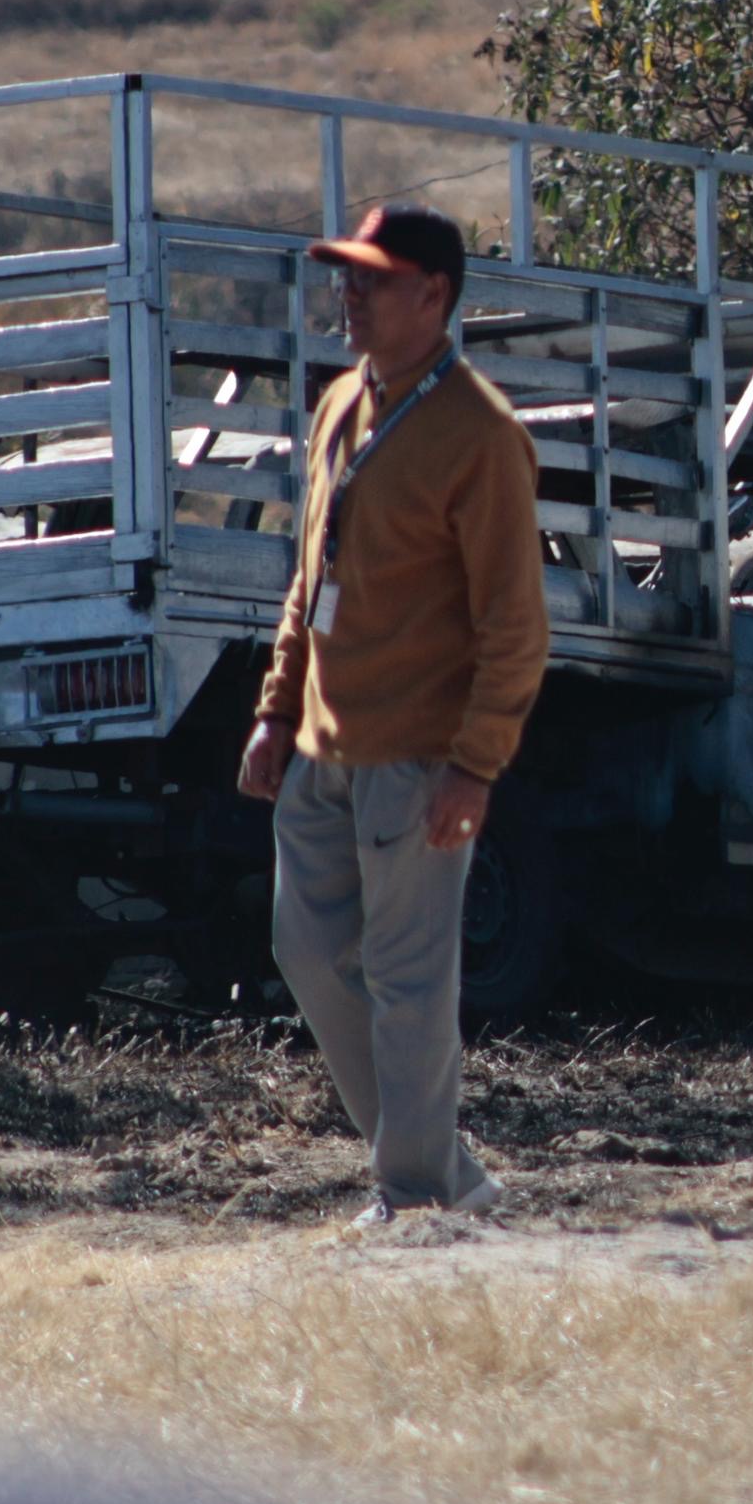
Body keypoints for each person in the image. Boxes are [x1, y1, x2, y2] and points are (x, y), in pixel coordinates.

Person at [240, 201, 550, 1229]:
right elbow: (306, 573)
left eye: (374, 278)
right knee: (306, 953)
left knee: (410, 985)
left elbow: (515, 626)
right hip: (321, 750)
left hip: (419, 760)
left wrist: (475, 765)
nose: (351, 294)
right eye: (347, 276)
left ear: (436, 295)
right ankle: (443, 1175)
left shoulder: (482, 435)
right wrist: (274, 711)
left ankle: (413, 1198)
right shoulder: (339, 403)